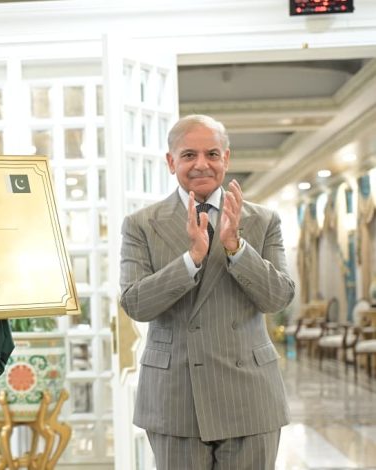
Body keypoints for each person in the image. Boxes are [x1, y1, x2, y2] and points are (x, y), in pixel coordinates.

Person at [119, 114, 295, 469]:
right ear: (171, 162)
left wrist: (236, 248)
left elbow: (278, 297)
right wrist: (192, 260)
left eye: (212, 154)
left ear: (225, 159)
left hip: (250, 395)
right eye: (189, 155)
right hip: (176, 395)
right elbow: (135, 303)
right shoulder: (141, 225)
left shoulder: (263, 221)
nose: (201, 164)